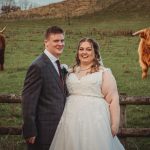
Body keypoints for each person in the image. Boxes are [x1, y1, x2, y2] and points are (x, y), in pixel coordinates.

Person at [49, 38, 125, 150]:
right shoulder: (70, 72)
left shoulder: (103, 72)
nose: (84, 52)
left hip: (95, 120)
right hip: (71, 119)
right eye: (81, 49)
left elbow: (113, 99)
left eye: (88, 49)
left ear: (95, 52)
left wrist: (114, 125)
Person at [22, 26, 67, 150]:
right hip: (43, 133)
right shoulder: (38, 66)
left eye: (62, 41)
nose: (60, 44)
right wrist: (30, 130)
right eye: (56, 41)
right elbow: (28, 101)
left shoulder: (57, 65)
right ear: (46, 42)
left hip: (59, 130)